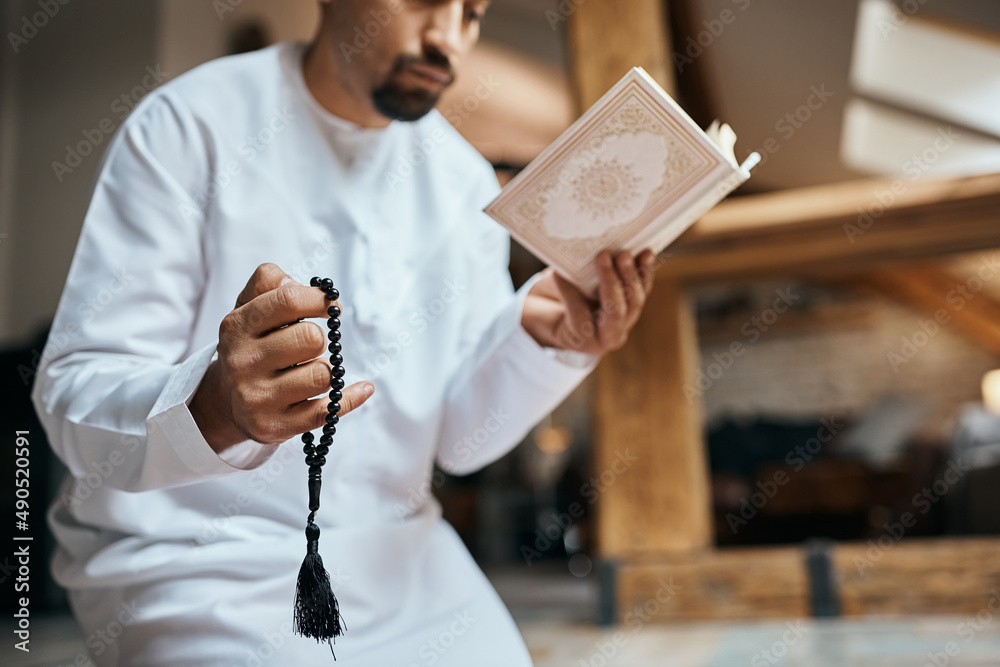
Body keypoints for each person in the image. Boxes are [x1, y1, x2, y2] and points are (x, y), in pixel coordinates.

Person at [32, 1, 657, 664]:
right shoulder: (186, 129)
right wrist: (212, 405)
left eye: (472, 12)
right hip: (193, 565)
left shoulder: (463, 182)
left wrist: (547, 341)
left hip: (401, 561)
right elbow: (74, 393)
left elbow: (461, 442)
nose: (449, 38)